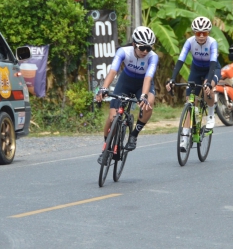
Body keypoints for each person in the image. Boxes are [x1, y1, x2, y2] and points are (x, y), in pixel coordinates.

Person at [96, 26, 158, 163]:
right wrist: (104, 88)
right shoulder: (123, 52)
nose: (146, 51)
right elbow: (113, 71)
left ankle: (134, 134)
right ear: (135, 44)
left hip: (143, 84)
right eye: (142, 48)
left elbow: (148, 78)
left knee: (149, 104)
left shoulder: (153, 57)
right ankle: (105, 149)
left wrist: (143, 96)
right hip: (125, 82)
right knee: (112, 118)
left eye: (149, 48)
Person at [165, 16, 224, 151]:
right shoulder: (190, 42)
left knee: (207, 89)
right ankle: (185, 138)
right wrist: (172, 79)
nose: (202, 36)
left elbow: (213, 63)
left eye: (205, 33)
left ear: (208, 33)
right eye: (198, 33)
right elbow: (180, 61)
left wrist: (208, 83)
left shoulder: (212, 43)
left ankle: (210, 116)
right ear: (194, 33)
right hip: (196, 70)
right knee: (189, 102)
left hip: (212, 68)